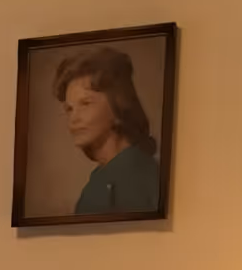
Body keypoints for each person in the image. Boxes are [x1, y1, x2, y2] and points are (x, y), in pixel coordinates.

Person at [52, 47, 161, 214]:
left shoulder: (136, 177)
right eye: (69, 109)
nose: (73, 119)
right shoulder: (101, 178)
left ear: (118, 104)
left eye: (86, 104)